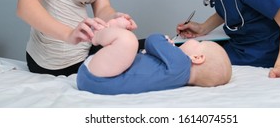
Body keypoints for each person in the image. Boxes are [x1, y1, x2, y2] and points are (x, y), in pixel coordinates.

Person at [77, 17, 232, 95]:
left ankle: (98, 35)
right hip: (99, 77)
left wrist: (164, 41)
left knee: (129, 42)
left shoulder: (182, 64)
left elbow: (152, 40)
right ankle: (112, 33)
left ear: (197, 58)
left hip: (100, 77)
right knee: (130, 51)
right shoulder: (178, 79)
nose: (194, 41)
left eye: (199, 43)